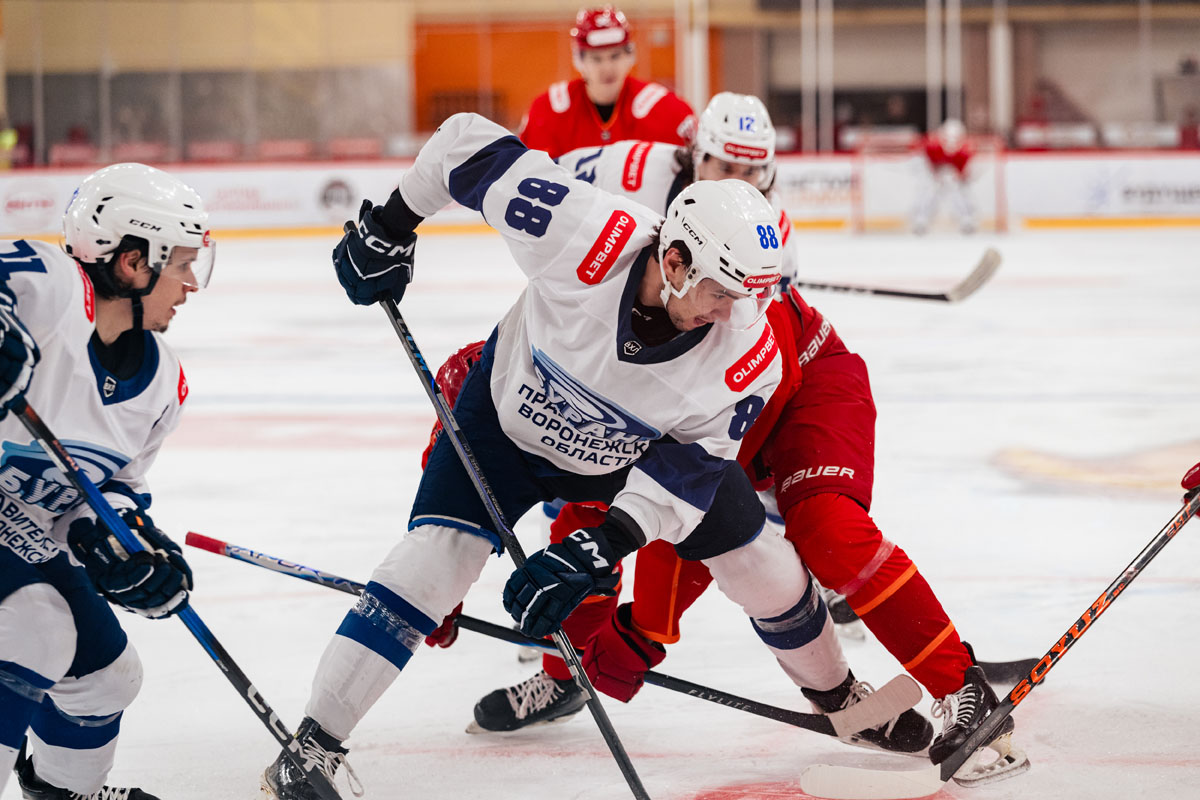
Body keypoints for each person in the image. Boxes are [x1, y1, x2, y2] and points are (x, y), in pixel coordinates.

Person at [259, 111, 906, 799]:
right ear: (675, 261)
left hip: (638, 450)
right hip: (503, 426)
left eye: (746, 295)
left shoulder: (747, 348)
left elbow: (689, 471)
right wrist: (392, 225)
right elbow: (462, 143)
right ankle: (311, 747)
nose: (733, 313)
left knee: (762, 561)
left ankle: (841, 697)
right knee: (433, 564)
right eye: (721, 291)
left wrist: (604, 543)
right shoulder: (581, 230)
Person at [463, 93, 1030, 784]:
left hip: (798, 390)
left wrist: (645, 630)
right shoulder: (631, 178)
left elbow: (701, 504)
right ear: (692, 154)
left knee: (821, 531)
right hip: (690, 412)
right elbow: (541, 184)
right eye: (722, 163)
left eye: (751, 169)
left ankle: (957, 688)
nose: (737, 178)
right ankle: (563, 675)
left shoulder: (745, 299)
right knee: (585, 515)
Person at [0, 163, 215, 799]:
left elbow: (112, 487)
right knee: (37, 626)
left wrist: (120, 542)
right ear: (132, 261)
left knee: (107, 678)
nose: (191, 283)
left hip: (18, 531)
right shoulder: (51, 287)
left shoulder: (161, 385)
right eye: (181, 264)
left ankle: (64, 792)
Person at [520, 5, 696, 159]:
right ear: (579, 60)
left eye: (615, 56)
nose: (607, 68)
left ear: (629, 55)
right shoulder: (546, 112)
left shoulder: (667, 110)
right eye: (596, 59)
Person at [912, 118, 977, 235]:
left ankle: (966, 219)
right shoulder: (931, 146)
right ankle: (921, 219)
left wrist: (953, 178)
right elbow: (924, 164)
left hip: (950, 177)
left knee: (958, 192)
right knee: (929, 191)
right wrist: (935, 177)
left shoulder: (964, 153)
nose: (951, 142)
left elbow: (962, 174)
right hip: (933, 174)